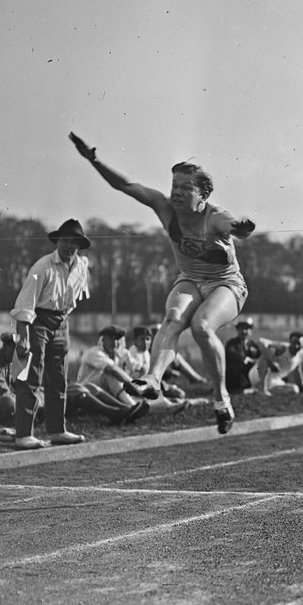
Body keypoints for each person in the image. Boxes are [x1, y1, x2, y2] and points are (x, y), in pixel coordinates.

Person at [70, 132, 255, 435]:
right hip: (190, 280)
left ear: (203, 196)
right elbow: (124, 185)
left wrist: (241, 228)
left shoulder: (215, 217)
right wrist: (94, 160)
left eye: (186, 188)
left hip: (226, 284)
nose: (177, 193)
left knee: (201, 327)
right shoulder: (164, 207)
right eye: (174, 186)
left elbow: (234, 228)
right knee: (171, 319)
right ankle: (153, 379)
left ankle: (221, 399)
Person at [10, 218, 93, 450]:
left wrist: (64, 317)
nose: (68, 246)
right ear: (57, 242)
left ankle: (57, 430)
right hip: (37, 321)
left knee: (58, 379)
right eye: (64, 241)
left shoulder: (81, 266)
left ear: (79, 246)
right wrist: (24, 336)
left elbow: (77, 293)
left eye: (73, 243)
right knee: (31, 376)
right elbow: (25, 304)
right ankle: (24, 434)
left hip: (61, 322)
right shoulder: (42, 267)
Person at [76, 324, 197, 417]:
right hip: (88, 394)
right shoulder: (95, 352)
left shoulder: (119, 354)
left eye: (117, 339)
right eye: (110, 338)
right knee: (113, 375)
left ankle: (164, 405)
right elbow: (113, 370)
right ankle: (134, 408)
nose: (114, 343)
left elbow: (135, 367)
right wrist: (137, 386)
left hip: (108, 393)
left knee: (142, 384)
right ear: (102, 340)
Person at [250, 330, 303, 395]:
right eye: (294, 343)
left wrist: (302, 386)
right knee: (265, 357)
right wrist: (271, 361)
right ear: (290, 341)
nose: (296, 346)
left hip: (274, 379)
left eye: (299, 344)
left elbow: (297, 370)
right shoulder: (282, 348)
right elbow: (260, 341)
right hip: (258, 374)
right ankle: (262, 388)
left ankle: (256, 390)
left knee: (295, 389)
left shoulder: (301, 353)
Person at [224, 317, 264, 396]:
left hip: (249, 374)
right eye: (241, 328)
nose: (244, 331)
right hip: (235, 376)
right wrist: (245, 359)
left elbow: (261, 356)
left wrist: (252, 360)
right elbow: (232, 354)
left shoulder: (252, 344)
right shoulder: (232, 343)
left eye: (247, 328)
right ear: (237, 330)